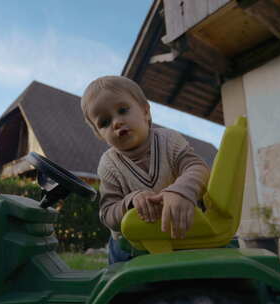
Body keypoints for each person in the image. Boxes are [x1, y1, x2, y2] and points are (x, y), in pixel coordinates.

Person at [81, 75, 210, 264]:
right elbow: (107, 213)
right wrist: (129, 203)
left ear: (145, 111)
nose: (116, 122)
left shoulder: (170, 141)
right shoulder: (108, 164)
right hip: (132, 248)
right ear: (99, 135)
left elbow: (197, 167)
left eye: (123, 110)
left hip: (182, 234)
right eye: (105, 122)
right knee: (125, 282)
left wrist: (181, 191)